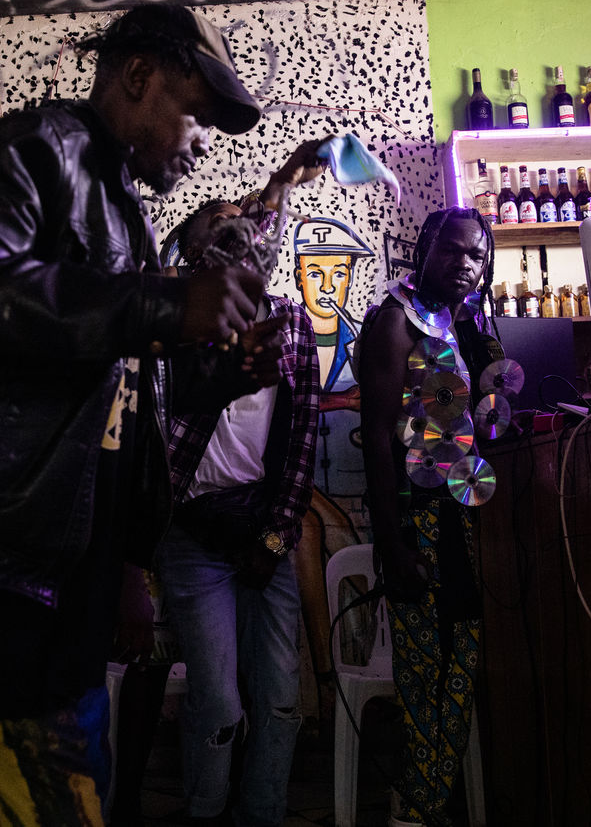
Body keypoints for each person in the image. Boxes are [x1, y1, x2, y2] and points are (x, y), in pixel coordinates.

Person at [0, 3, 285, 827]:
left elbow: (113, 393)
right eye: (195, 113)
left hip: (52, 575)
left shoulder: (122, 208)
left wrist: (220, 375)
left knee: (75, 795)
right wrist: (159, 303)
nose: (202, 143)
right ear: (139, 76)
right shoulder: (45, 148)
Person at [157, 183, 322, 827]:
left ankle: (263, 813)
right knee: (219, 702)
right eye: (218, 226)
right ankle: (204, 811)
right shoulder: (175, 325)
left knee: (280, 700)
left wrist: (275, 540)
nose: (239, 232)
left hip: (263, 532)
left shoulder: (293, 324)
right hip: (192, 534)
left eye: (244, 224)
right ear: (194, 253)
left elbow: (303, 440)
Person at [355, 206, 501, 827]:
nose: (466, 264)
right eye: (453, 250)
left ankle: (427, 799)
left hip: (455, 513)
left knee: (458, 658)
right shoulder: (395, 321)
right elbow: (377, 438)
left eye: (477, 256)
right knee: (425, 671)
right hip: (415, 521)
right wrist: (391, 547)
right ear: (424, 248)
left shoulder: (453, 322)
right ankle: (414, 807)